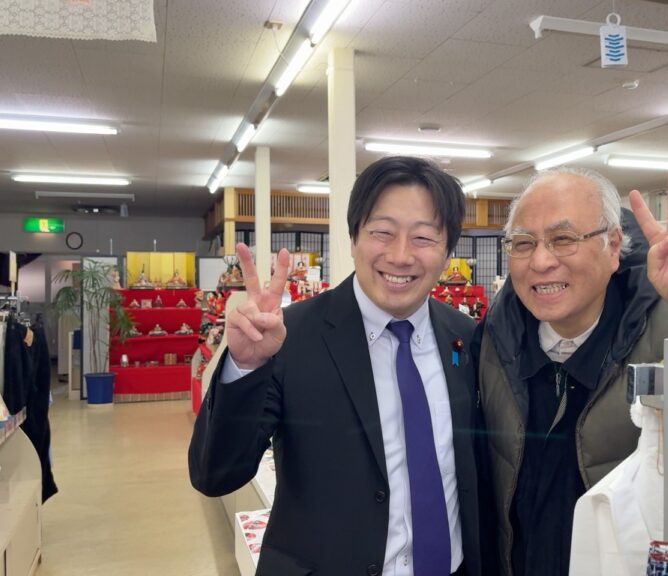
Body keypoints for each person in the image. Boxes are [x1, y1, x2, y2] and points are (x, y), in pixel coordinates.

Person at [189, 156, 486, 576]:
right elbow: (215, 475)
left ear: (447, 251)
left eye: (423, 237)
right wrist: (245, 366)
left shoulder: (467, 337)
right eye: (382, 232)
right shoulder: (290, 336)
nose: (401, 255)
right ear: (353, 238)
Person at [473, 167, 668, 576]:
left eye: (563, 239)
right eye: (523, 243)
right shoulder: (492, 338)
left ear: (612, 246)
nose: (540, 261)